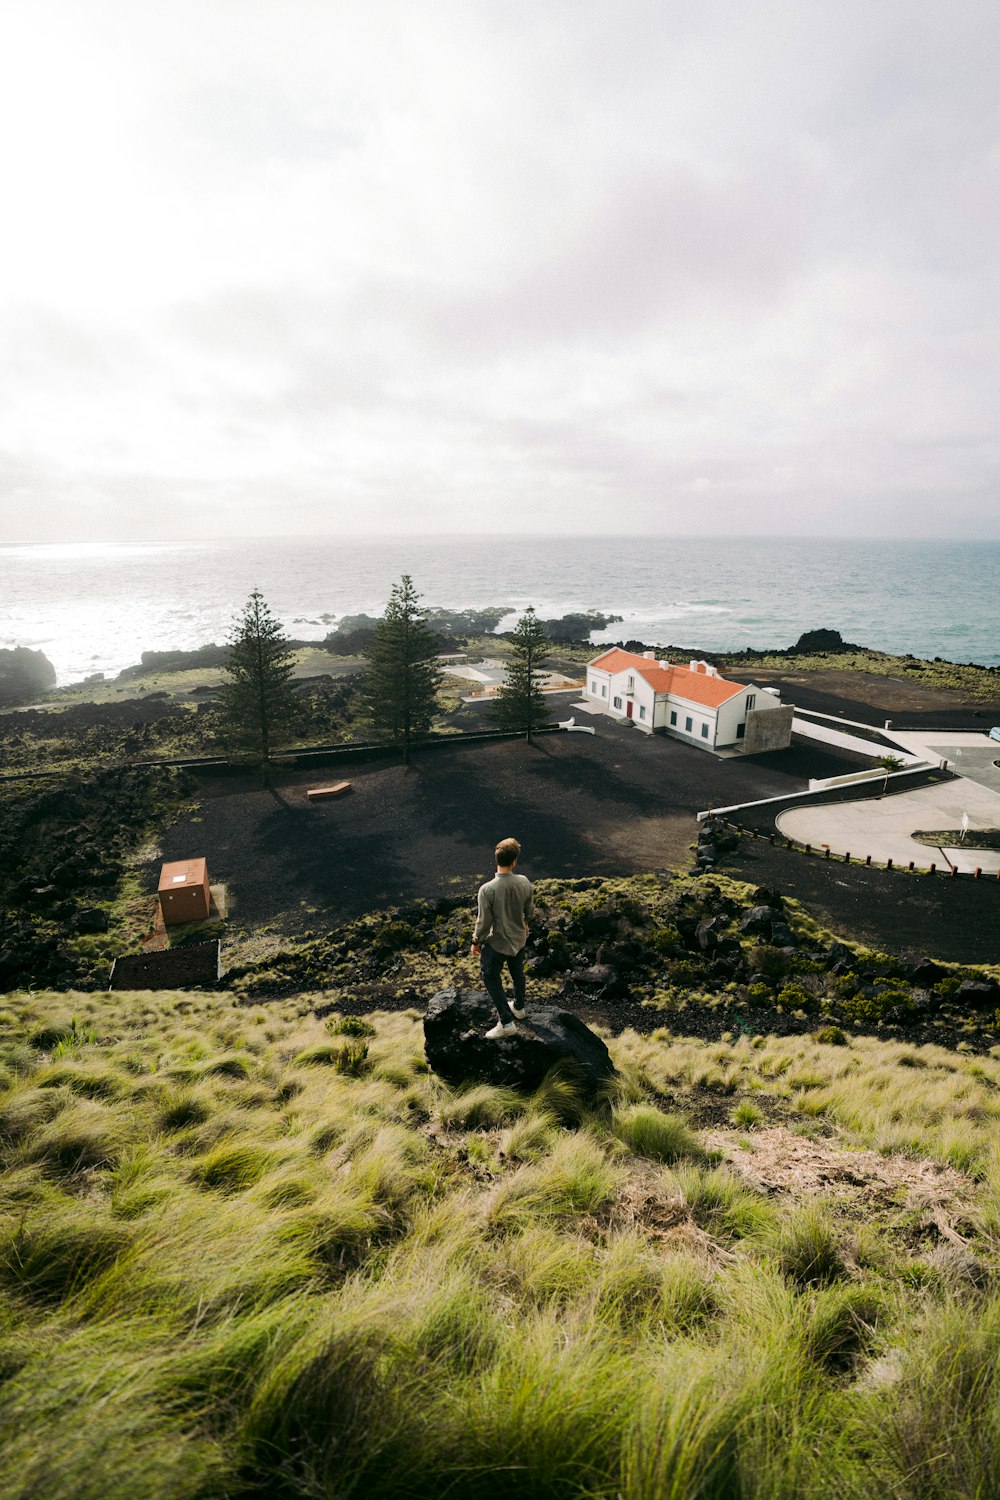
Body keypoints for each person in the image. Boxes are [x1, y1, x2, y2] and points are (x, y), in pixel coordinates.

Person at [471, 836, 533, 1038]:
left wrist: (476, 941)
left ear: (497, 860)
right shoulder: (524, 882)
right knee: (518, 973)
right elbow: (529, 911)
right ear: (514, 861)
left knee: (490, 976)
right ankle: (519, 1008)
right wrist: (525, 926)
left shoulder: (487, 890)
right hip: (519, 939)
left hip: (497, 943)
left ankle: (506, 1022)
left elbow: (483, 922)